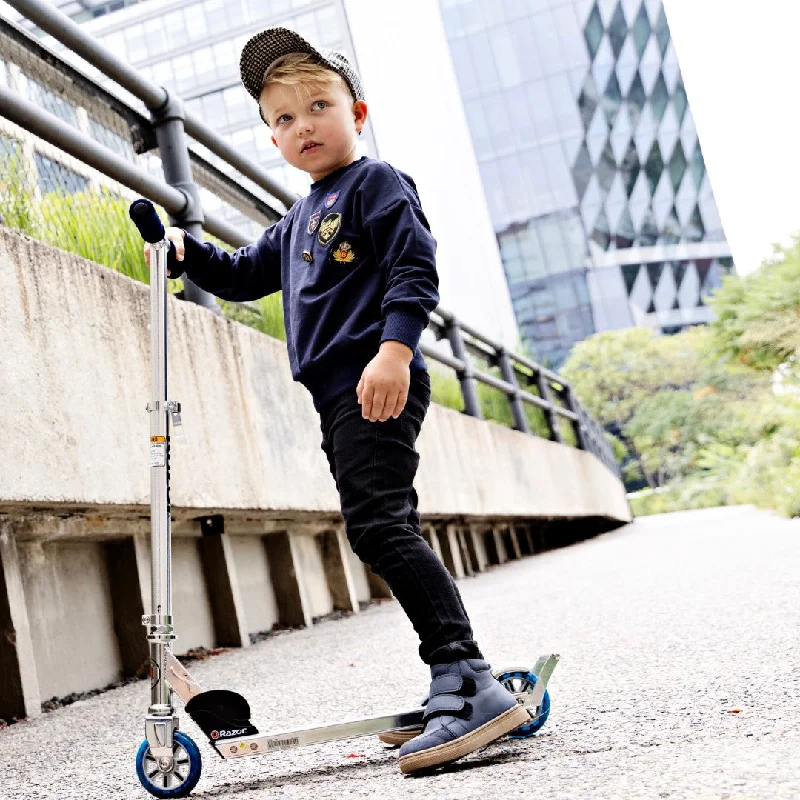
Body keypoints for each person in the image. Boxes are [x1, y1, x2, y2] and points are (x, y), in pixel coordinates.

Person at [146, 27, 528, 774]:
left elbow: (414, 269)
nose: (302, 126)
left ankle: (467, 679)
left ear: (356, 111)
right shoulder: (297, 221)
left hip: (374, 377)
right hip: (337, 392)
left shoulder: (377, 184)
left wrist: (395, 350)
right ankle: (456, 675)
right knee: (380, 523)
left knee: (380, 525)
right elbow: (241, 271)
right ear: (271, 137)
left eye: (318, 105)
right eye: (283, 118)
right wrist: (187, 252)